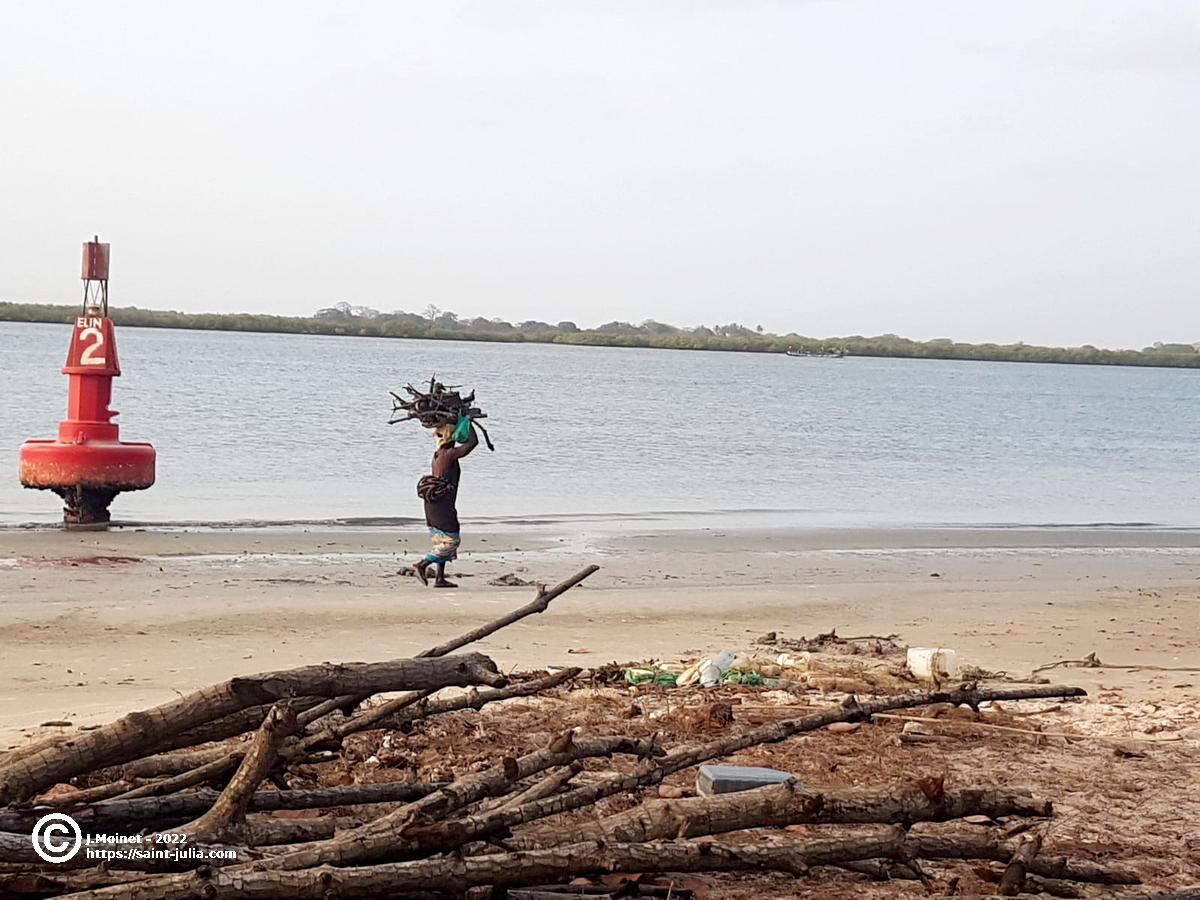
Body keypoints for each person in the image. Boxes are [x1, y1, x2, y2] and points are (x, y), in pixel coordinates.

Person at [414, 417, 478, 588]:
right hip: (441, 506)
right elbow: (473, 443)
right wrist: (467, 421)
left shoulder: (438, 454)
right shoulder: (449, 454)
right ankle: (422, 564)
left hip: (434, 504)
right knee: (451, 541)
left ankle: (439, 578)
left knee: (440, 539)